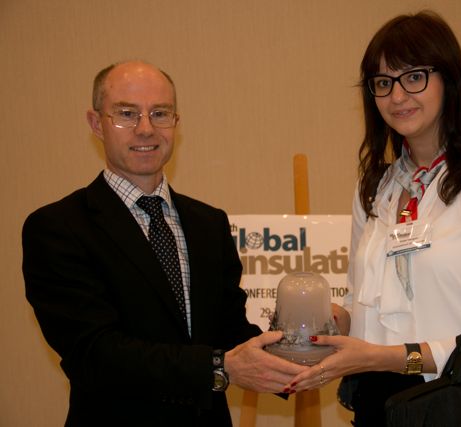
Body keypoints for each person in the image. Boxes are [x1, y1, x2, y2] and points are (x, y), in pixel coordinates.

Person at [22, 60, 307, 427]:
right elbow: (95, 353)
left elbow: (231, 334)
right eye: (126, 114)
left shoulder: (209, 223)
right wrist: (219, 368)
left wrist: (303, 348)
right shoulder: (58, 227)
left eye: (160, 113)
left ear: (176, 122)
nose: (146, 129)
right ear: (96, 124)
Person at [286, 10, 461, 426]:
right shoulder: (374, 188)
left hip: (458, 405)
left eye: (414, 77)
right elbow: (359, 299)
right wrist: (324, 322)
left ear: (449, 80)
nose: (397, 96)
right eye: (383, 83)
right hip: (377, 403)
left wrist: (387, 357)